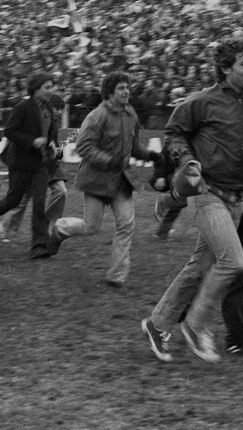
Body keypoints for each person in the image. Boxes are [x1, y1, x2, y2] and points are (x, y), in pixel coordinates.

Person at [141, 38, 243, 363]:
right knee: (233, 261)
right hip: (206, 193)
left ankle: (157, 325)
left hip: (237, 199)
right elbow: (173, 133)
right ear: (226, 68)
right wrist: (187, 160)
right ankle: (195, 325)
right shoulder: (201, 101)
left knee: (199, 267)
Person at [49, 71, 161, 287]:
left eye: (127, 87)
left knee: (126, 224)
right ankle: (60, 229)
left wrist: (149, 155)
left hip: (122, 180)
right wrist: (109, 160)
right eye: (121, 88)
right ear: (109, 93)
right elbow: (83, 146)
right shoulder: (96, 116)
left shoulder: (130, 115)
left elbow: (134, 147)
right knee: (91, 227)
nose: (127, 91)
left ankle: (116, 277)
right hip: (97, 180)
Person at [0, 72, 60, 260]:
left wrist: (53, 144)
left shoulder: (47, 107)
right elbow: (10, 131)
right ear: (35, 89)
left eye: (51, 87)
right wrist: (32, 142)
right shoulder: (22, 107)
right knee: (14, 200)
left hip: (41, 164)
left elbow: (51, 131)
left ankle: (39, 245)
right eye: (47, 87)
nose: (51, 91)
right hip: (21, 163)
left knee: (40, 203)